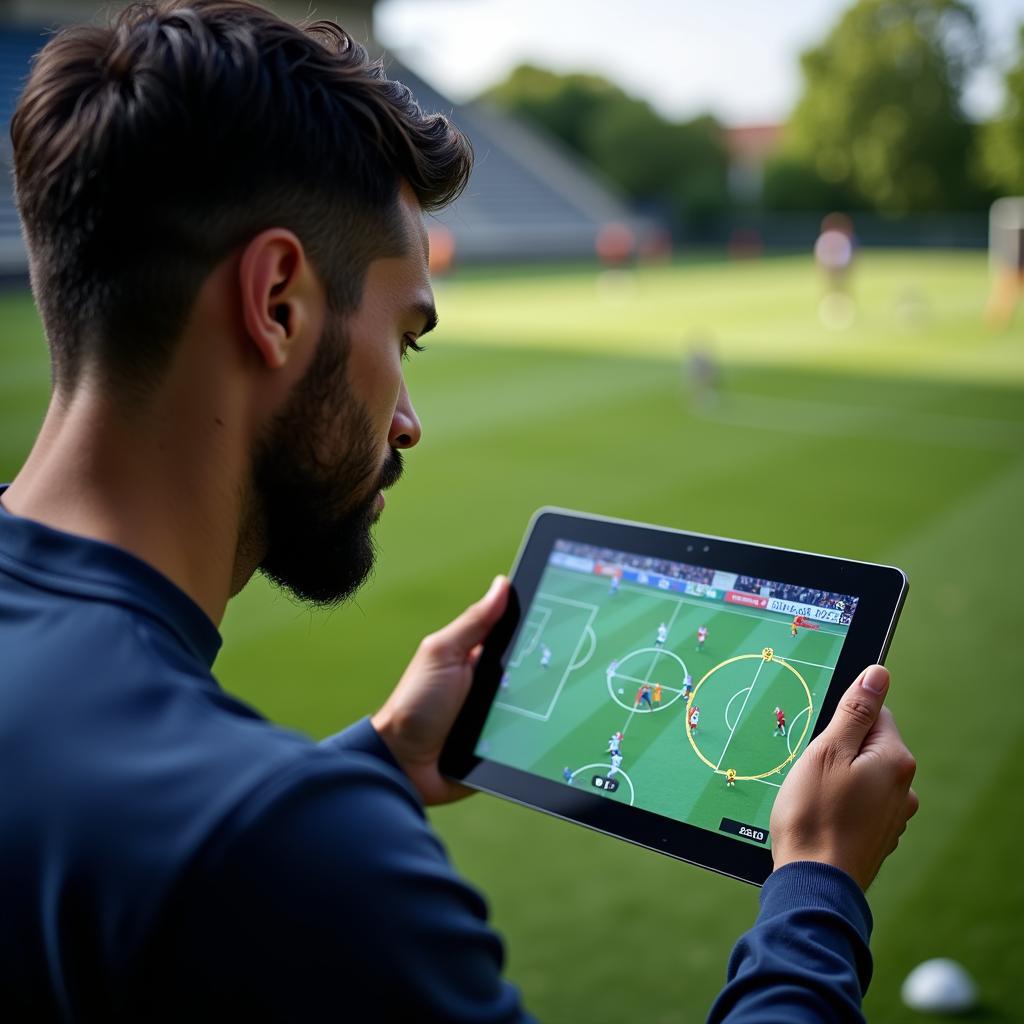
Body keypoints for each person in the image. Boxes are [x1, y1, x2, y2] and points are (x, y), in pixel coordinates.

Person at [0, 3, 919, 1021]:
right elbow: (230, 854)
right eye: (406, 339)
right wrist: (818, 886)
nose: (408, 419)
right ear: (275, 305)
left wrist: (379, 756)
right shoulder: (292, 852)